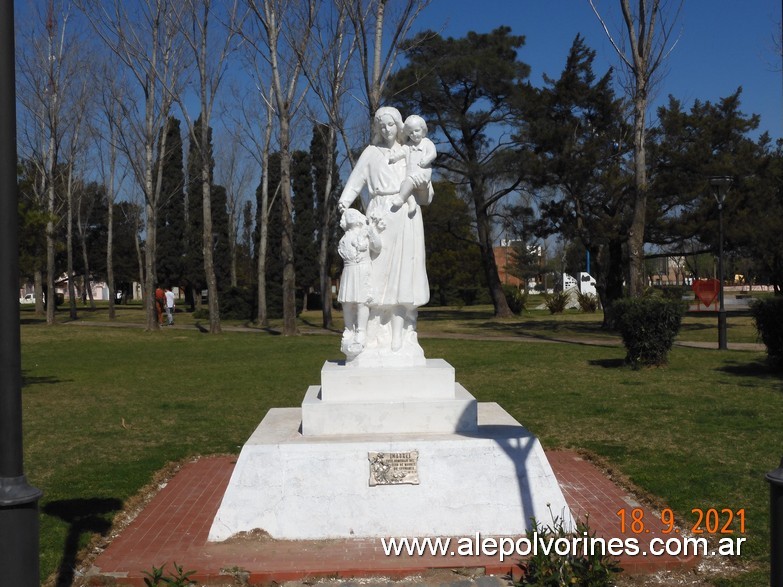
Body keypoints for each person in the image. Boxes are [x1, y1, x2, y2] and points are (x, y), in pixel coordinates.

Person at [337, 106, 431, 361]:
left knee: (404, 272)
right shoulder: (371, 153)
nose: (387, 129)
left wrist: (422, 185)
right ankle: (370, 329)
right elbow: (356, 181)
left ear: (399, 125)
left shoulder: (411, 151)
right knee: (375, 274)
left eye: (391, 124)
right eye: (382, 126)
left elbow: (426, 195)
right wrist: (345, 201)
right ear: (377, 129)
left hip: (407, 217)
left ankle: (403, 328)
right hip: (379, 215)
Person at [337, 209, 382, 357]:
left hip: (362, 270)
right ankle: (349, 328)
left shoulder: (365, 232)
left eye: (352, 213)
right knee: (347, 302)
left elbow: (377, 247)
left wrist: (372, 231)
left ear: (358, 219)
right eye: (347, 214)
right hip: (349, 270)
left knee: (362, 302)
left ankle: (361, 331)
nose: (349, 214)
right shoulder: (344, 237)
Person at [388, 115, 436, 216]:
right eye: (411, 133)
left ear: (423, 129)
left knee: (408, 183)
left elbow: (433, 153)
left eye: (417, 131)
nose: (414, 134)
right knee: (403, 185)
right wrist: (394, 157)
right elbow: (400, 153)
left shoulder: (427, 143)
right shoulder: (408, 146)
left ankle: (401, 198)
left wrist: (427, 159)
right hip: (410, 176)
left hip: (422, 174)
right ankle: (412, 203)